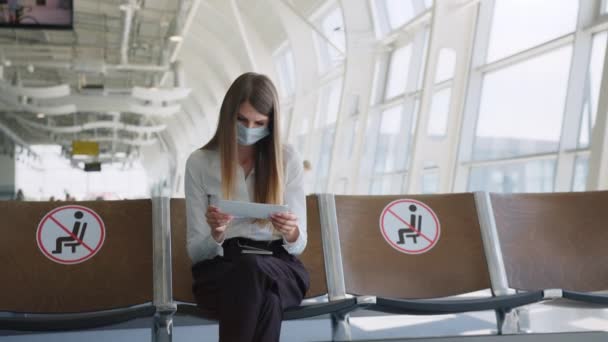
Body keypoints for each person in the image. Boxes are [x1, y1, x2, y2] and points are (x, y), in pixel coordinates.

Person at [185, 72, 308, 342]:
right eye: (241, 119)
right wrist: (216, 233)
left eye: (259, 122)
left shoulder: (287, 159)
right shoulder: (200, 162)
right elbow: (196, 252)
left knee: (253, 271)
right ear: (227, 115)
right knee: (267, 298)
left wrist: (290, 232)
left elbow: (299, 245)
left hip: (279, 265)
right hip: (222, 267)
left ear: (271, 124)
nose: (249, 128)